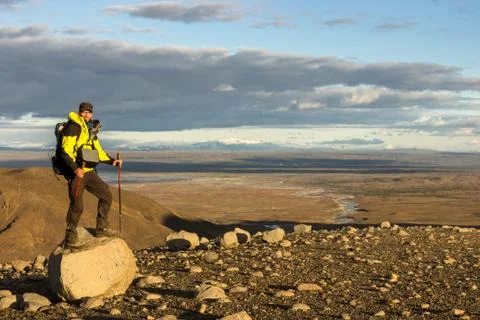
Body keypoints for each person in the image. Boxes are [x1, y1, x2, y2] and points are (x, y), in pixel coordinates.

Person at [59, 102, 122, 248]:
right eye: (84, 112)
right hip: (77, 174)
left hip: (88, 172)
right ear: (80, 112)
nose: (87, 114)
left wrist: (113, 161)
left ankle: (101, 228)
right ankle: (70, 234)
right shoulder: (73, 127)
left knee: (106, 195)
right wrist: (75, 169)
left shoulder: (90, 130)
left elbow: (98, 152)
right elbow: (65, 151)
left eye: (89, 112)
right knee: (77, 205)